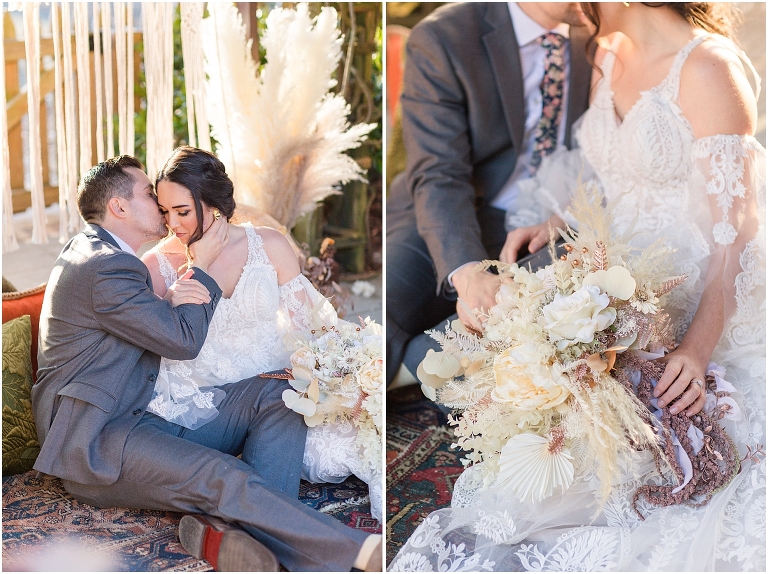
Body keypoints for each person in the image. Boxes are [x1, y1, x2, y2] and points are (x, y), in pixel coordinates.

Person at [390, 2, 765, 571]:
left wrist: (697, 346)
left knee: (629, 462)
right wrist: (561, 221)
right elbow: (616, 177)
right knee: (494, 400)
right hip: (616, 272)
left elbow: (735, 232)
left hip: (699, 285)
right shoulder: (606, 55)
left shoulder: (710, 68)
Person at [31, 156, 382, 572]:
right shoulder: (107, 266)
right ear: (119, 207)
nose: (163, 210)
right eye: (150, 196)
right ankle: (358, 554)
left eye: (175, 207)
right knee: (223, 474)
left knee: (282, 391)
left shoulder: (98, 253)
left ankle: (218, 534)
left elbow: (164, 328)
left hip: (142, 408)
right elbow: (182, 341)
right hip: (98, 437)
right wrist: (200, 267)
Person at [140, 146, 383, 523]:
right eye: (165, 211)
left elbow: (313, 327)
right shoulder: (156, 266)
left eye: (183, 211)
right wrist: (170, 299)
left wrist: (347, 375)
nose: (174, 223)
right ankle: (263, 524)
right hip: (201, 412)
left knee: (358, 443)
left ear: (214, 203)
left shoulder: (268, 245)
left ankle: (243, 527)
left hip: (276, 397)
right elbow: (147, 344)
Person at [386, 2, 593, 386]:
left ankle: (418, 371)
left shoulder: (603, 31)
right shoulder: (443, 38)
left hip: (548, 228)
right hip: (447, 214)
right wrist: (467, 272)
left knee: (508, 323)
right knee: (384, 318)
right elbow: (438, 172)